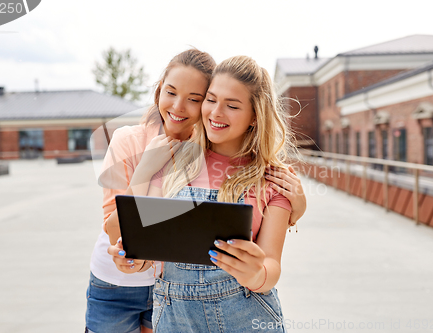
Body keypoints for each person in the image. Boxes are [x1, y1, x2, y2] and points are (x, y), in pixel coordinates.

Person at [108, 55, 306, 332]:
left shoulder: (273, 179)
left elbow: (272, 265)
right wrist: (133, 260)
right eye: (210, 100)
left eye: (232, 105)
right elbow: (149, 250)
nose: (216, 113)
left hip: (246, 316)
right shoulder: (171, 162)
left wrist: (257, 273)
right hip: (175, 318)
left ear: (254, 117)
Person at [86, 48, 216, 333]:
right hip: (117, 286)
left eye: (194, 99)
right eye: (170, 92)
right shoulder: (127, 140)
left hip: (173, 288)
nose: (178, 106)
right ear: (159, 91)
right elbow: (114, 228)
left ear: (207, 104)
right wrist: (145, 170)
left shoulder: (209, 152)